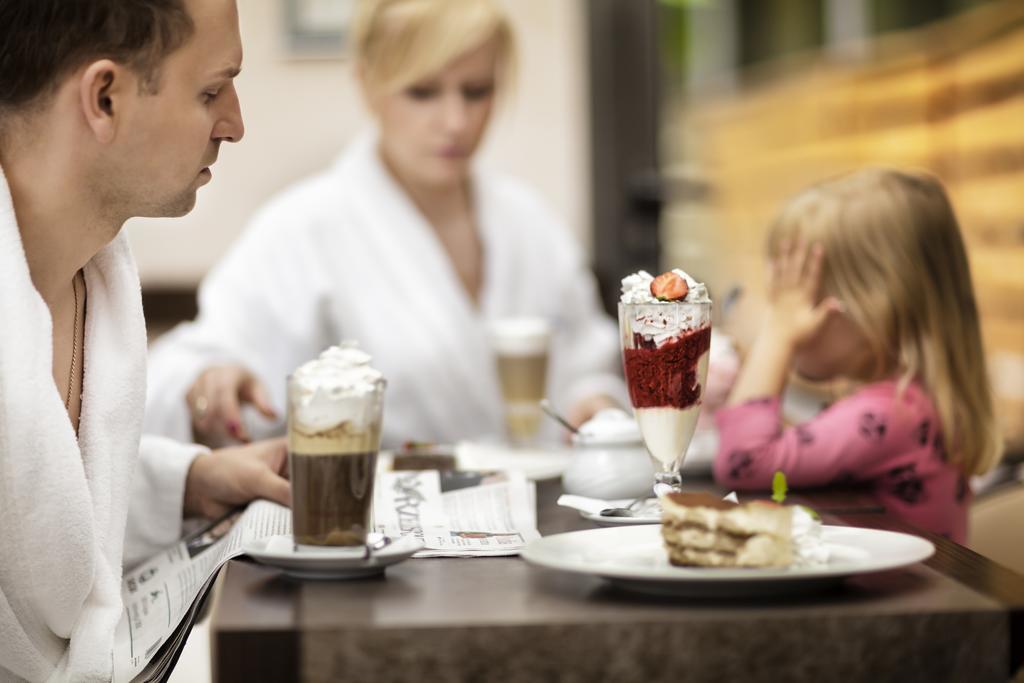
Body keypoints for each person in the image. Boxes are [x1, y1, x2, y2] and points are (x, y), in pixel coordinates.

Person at [144, 0, 626, 449]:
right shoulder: (303, 229)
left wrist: (594, 406)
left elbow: (585, 366)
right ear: (368, 83)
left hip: (546, 525)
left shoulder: (529, 224)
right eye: (423, 92)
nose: (455, 121)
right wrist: (209, 385)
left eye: (476, 91)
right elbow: (192, 366)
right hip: (381, 527)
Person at [0, 2, 291, 679]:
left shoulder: (95, 273)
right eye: (212, 90)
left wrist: (190, 481)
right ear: (105, 97)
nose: (235, 124)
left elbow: (41, 512)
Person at [713, 168, 1003, 543]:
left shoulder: (891, 415)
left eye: (799, 302)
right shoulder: (910, 405)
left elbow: (742, 461)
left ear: (876, 309)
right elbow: (793, 449)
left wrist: (777, 335)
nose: (784, 318)